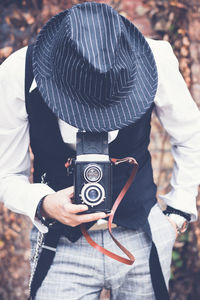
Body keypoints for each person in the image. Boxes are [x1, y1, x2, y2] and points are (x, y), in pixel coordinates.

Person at [0, 2, 200, 300]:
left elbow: (191, 135)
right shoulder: (19, 71)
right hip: (59, 246)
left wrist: (177, 213)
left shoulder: (155, 57)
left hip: (142, 237)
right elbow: (5, 173)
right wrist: (42, 203)